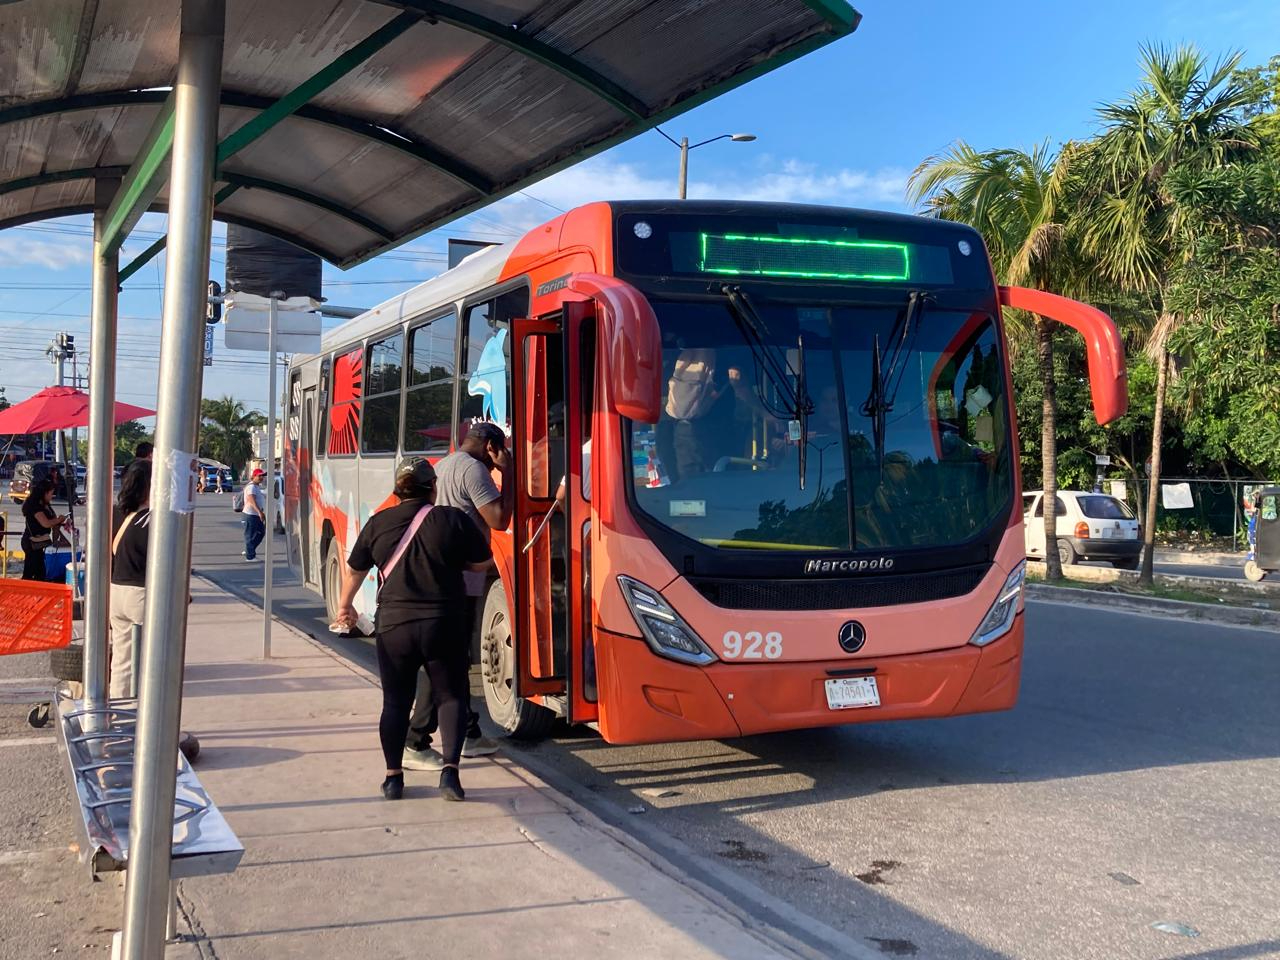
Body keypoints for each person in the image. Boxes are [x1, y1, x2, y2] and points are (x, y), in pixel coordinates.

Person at [336, 458, 492, 801]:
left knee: (395, 702)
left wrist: (345, 605)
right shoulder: (451, 519)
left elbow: (355, 570)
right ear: (432, 487)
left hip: (395, 626)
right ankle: (450, 776)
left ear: (398, 490)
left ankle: (394, 779)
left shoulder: (379, 523)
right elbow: (482, 561)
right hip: (443, 622)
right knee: (450, 695)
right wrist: (452, 561)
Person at [402, 422, 510, 769]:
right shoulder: (475, 470)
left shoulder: (446, 465)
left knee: (453, 660)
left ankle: (469, 732)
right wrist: (507, 474)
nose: (497, 461)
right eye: (498, 452)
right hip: (461, 580)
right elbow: (498, 519)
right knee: (445, 661)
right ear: (490, 446)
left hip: (445, 576)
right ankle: (416, 739)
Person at [109, 461, 152, 699]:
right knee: (150, 662)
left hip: (118, 591)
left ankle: (118, 710)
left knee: (122, 661)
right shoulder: (152, 519)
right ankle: (144, 717)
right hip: (141, 594)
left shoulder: (123, 515)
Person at [20, 479, 67, 580]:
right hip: (31, 543)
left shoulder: (46, 506)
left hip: (39, 543)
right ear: (44, 493)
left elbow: (52, 520)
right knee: (32, 572)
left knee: (38, 571)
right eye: (50, 493)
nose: (52, 496)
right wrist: (58, 519)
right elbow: (46, 523)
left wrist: (58, 521)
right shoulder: (35, 506)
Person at [242, 468, 267, 561]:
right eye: (259, 476)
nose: (261, 477)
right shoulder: (251, 487)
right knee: (250, 535)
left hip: (255, 514)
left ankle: (249, 549)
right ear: (254, 476)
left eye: (262, 476)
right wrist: (259, 512)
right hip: (250, 514)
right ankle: (250, 557)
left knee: (261, 533)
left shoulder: (256, 487)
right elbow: (251, 500)